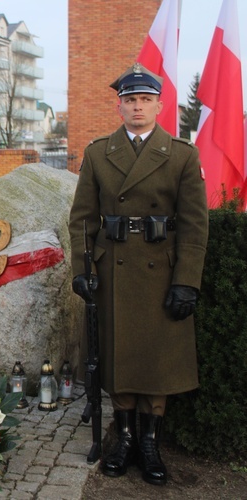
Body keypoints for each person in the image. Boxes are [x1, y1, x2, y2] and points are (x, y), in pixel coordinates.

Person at [69, 63, 208, 486]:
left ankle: (151, 443)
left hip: (160, 273)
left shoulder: (182, 154)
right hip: (115, 271)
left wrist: (187, 280)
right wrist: (83, 269)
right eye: (130, 100)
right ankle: (124, 437)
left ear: (159, 106)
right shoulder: (97, 152)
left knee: (157, 360)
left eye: (145, 100)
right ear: (120, 106)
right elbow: (82, 220)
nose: (137, 107)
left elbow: (194, 224)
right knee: (118, 355)